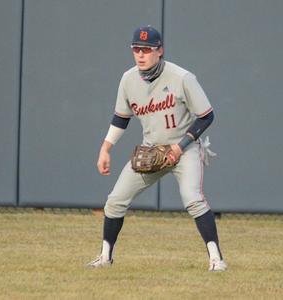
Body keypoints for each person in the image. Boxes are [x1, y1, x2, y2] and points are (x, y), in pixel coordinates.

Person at [87, 25, 226, 271]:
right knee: (116, 200)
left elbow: (207, 116)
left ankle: (217, 259)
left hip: (185, 149)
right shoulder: (128, 79)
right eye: (136, 49)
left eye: (147, 50)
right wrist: (105, 148)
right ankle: (105, 257)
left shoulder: (182, 78)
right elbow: (121, 118)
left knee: (193, 200)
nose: (141, 55)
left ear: (159, 50)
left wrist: (181, 146)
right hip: (152, 152)